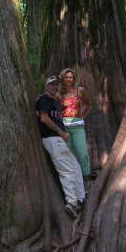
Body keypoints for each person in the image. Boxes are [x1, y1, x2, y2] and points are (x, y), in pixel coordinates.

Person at [36, 76, 86, 219]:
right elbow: (44, 118)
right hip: (52, 138)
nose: (54, 87)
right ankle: (71, 203)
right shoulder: (44, 99)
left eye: (56, 85)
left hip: (59, 139)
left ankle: (81, 198)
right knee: (66, 170)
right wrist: (60, 132)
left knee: (75, 167)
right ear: (46, 87)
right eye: (52, 84)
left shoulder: (54, 102)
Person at [58, 68, 91, 180]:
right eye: (66, 77)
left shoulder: (79, 90)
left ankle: (86, 178)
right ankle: (75, 181)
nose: (68, 79)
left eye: (70, 77)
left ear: (73, 79)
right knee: (70, 156)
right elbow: (56, 111)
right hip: (64, 129)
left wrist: (82, 115)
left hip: (78, 127)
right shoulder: (59, 94)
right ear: (63, 79)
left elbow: (88, 104)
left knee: (83, 154)